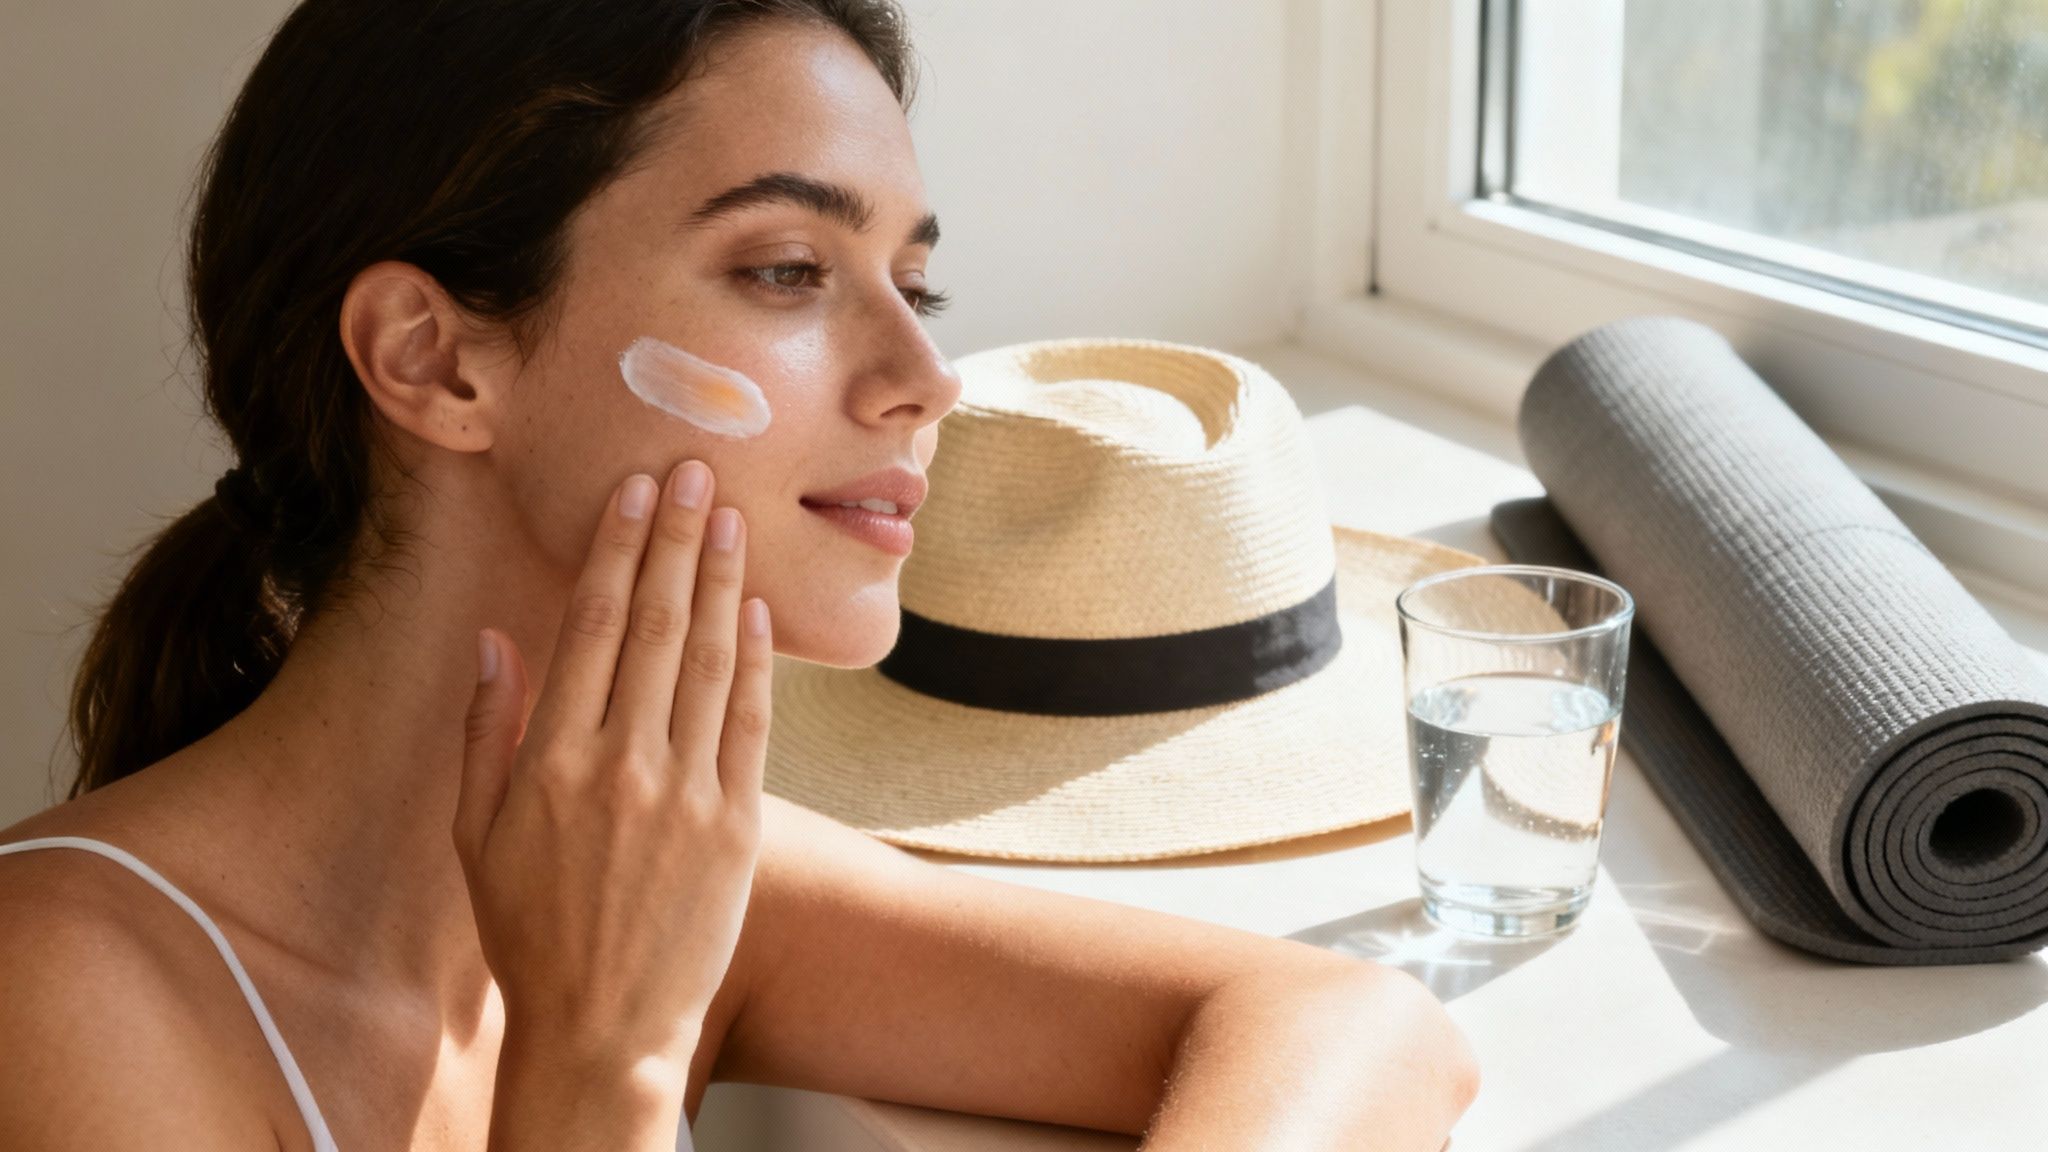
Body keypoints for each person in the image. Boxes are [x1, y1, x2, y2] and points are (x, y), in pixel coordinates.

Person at [0, 2, 1480, 1148]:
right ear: (434, 359)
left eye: (916, 282)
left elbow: (1356, 1020)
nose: (925, 378)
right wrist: (603, 1068)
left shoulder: (671, 872)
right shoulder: (58, 1005)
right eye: (786, 270)